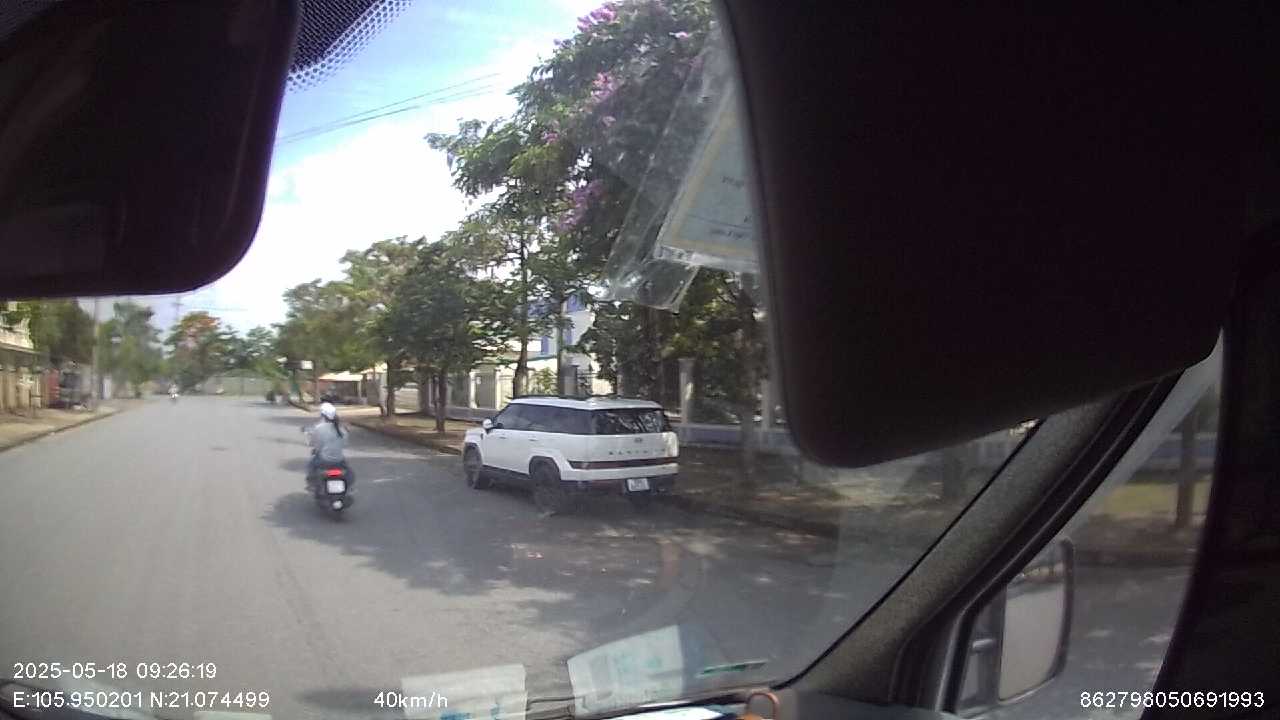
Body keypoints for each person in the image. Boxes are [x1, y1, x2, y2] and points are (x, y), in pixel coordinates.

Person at [306, 402, 351, 491]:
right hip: (339, 461)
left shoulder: (319, 428)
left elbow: (314, 443)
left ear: (323, 415)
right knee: (349, 472)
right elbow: (344, 444)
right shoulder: (342, 429)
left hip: (324, 460)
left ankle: (312, 484)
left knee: (311, 465)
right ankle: (348, 488)